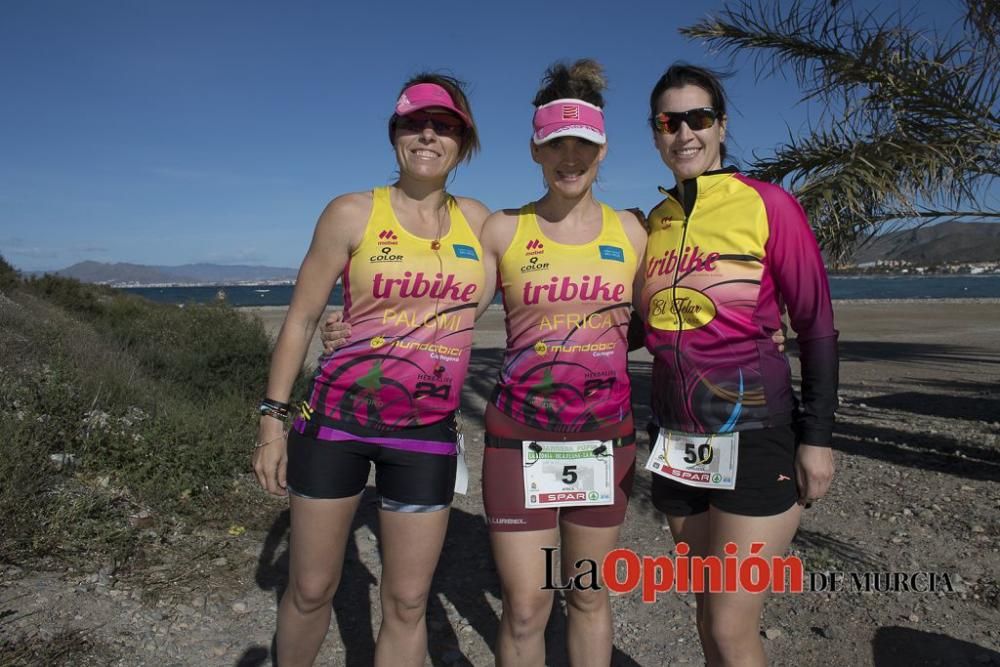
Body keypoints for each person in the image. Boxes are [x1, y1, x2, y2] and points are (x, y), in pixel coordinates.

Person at [252, 74, 488, 667]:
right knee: (310, 590)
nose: (429, 134)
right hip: (336, 424)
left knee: (408, 601)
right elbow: (302, 319)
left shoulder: (485, 224)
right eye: (414, 123)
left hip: (427, 432)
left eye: (445, 125)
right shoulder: (352, 212)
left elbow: (559, 263)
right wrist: (271, 422)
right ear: (395, 135)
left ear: (464, 141)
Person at [638, 63, 838, 667]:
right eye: (669, 122)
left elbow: (817, 326)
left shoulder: (767, 204)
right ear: (655, 132)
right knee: (706, 611)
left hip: (755, 434)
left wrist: (818, 438)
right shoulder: (656, 223)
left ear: (721, 126)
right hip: (676, 440)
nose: (684, 134)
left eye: (698, 119)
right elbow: (640, 325)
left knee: (730, 624)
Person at [476, 59, 648, 667]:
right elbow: (444, 316)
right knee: (525, 607)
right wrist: (351, 329)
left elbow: (668, 319)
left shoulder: (632, 231)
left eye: (583, 144)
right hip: (519, 440)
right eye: (556, 144)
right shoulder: (503, 230)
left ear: (603, 150)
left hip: (604, 438)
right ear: (535, 149)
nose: (569, 157)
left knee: (588, 595)